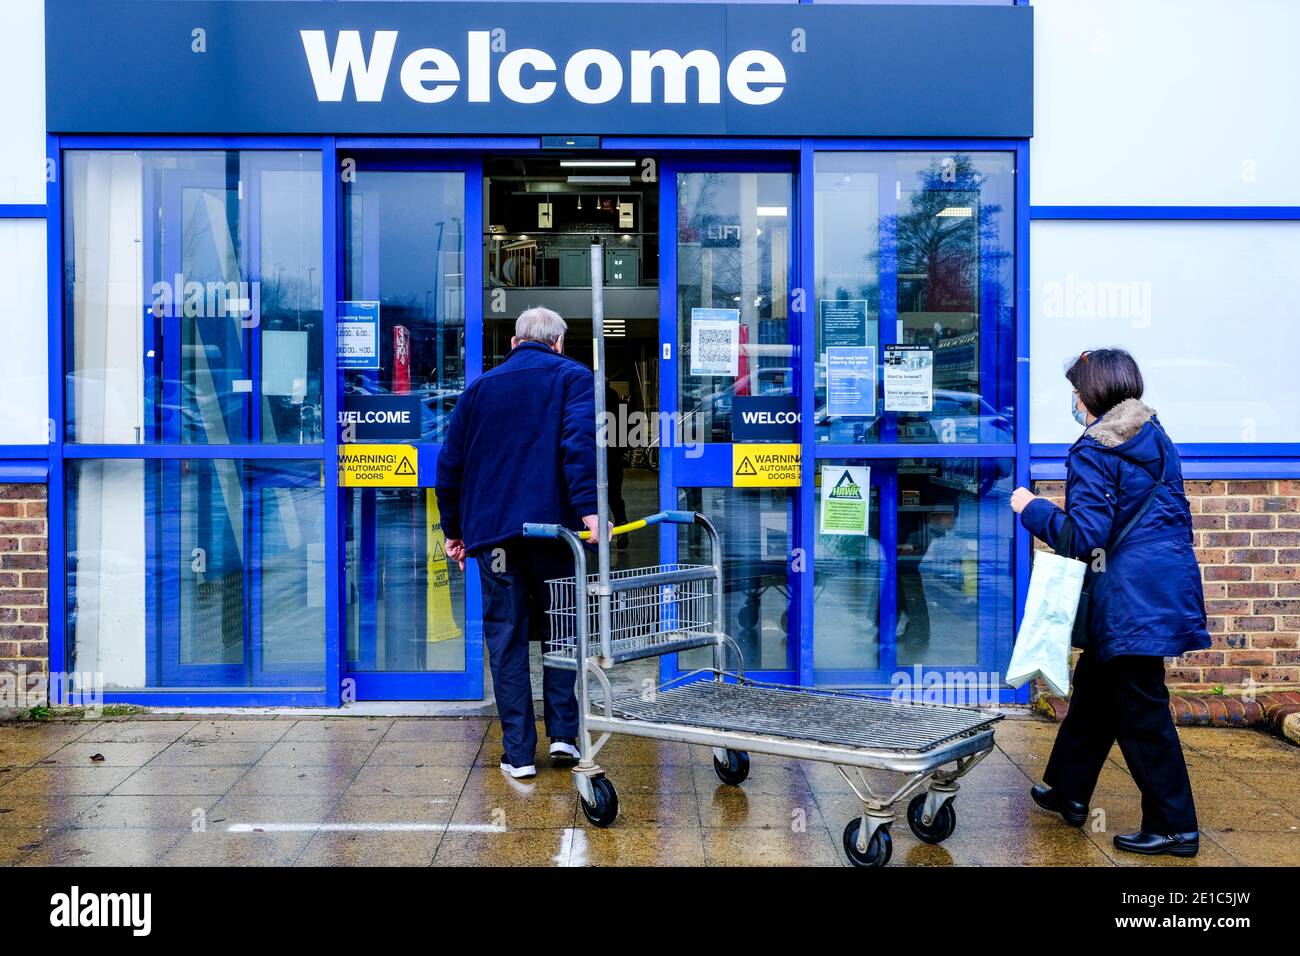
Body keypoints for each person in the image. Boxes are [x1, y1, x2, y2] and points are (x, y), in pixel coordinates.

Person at [1010, 348, 1211, 857]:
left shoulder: (1096, 449)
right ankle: (1068, 791)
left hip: (1129, 597)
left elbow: (1086, 537)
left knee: (1141, 712)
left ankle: (1174, 826)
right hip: (1159, 586)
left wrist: (1032, 509)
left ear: (1092, 394)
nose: (1073, 399)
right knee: (1098, 686)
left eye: (1076, 390)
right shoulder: (1153, 437)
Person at [436, 307, 601, 780]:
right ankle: (566, 736)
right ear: (559, 343)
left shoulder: (480, 389)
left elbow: (449, 468)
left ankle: (520, 754)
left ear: (513, 342)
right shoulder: (573, 377)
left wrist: (456, 532)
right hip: (555, 536)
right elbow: (578, 444)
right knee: (563, 628)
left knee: (507, 638)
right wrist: (589, 510)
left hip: (496, 538)